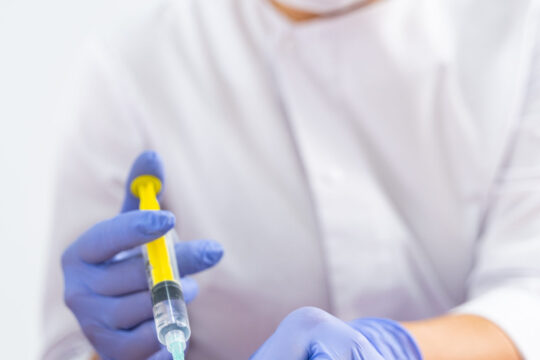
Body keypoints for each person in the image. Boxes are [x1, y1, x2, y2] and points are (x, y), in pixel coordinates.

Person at [41, 0, 540, 359]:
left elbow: (529, 294)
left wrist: (396, 351)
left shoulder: (518, 27)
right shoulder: (130, 72)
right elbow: (69, 350)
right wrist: (114, 349)